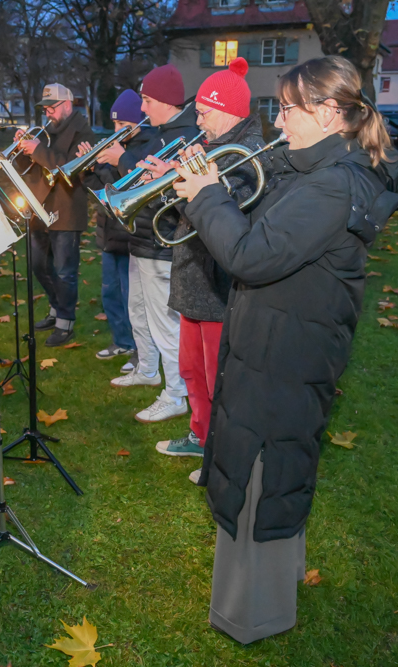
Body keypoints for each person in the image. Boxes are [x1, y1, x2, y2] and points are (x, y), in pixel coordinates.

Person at [171, 56, 398, 645]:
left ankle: (253, 613)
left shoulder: (333, 183)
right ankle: (274, 587)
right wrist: (210, 183)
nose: (278, 120)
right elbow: (266, 225)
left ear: (330, 114)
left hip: (288, 349)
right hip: (282, 338)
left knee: (263, 467)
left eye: (287, 108)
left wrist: (205, 198)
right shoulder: (315, 167)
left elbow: (253, 256)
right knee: (269, 463)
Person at [153, 58, 266, 470]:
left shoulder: (244, 153)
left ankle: (223, 451)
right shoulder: (213, 146)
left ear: (226, 110)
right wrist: (171, 176)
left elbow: (228, 213)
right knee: (193, 370)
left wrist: (190, 184)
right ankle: (201, 435)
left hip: (217, 283)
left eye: (203, 111)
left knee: (219, 376)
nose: (197, 118)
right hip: (192, 278)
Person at [109, 64, 197, 424]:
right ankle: (147, 370)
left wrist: (123, 160)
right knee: (139, 313)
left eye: (146, 100)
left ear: (165, 101)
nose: (142, 109)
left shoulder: (184, 135)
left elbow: (170, 194)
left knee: (166, 325)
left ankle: (176, 393)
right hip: (140, 239)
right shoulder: (162, 133)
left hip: (161, 245)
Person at [76, 89, 154, 373]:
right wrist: (89, 168)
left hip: (130, 233)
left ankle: (140, 348)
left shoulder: (144, 147)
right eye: (115, 125)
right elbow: (101, 190)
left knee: (132, 297)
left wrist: (112, 162)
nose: (118, 131)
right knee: (110, 293)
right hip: (109, 233)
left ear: (139, 122)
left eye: (123, 125)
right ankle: (121, 340)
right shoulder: (116, 149)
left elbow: (128, 188)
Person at [15, 83, 96, 347]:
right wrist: (22, 150)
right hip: (40, 208)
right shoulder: (46, 132)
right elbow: (30, 169)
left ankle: (65, 321)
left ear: (67, 105)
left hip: (67, 209)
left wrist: (37, 149)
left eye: (52, 107)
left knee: (64, 271)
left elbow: (70, 169)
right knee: (39, 264)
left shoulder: (84, 133)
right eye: (45, 108)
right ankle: (54, 307)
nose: (47, 113)